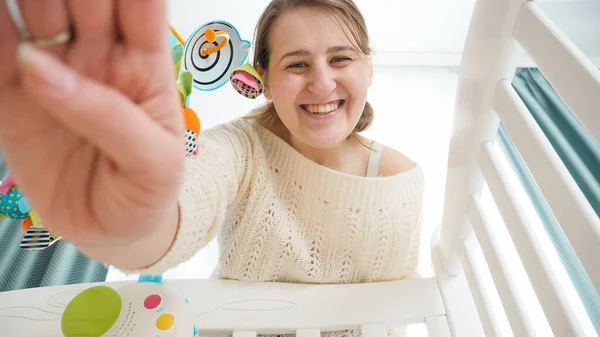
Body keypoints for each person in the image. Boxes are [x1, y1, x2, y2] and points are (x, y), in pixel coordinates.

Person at [0, 0, 423, 333]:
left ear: (368, 68)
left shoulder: (400, 183)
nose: (322, 83)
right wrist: (129, 225)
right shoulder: (239, 147)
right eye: (296, 64)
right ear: (265, 80)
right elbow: (187, 205)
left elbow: (391, 318)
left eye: (342, 59)